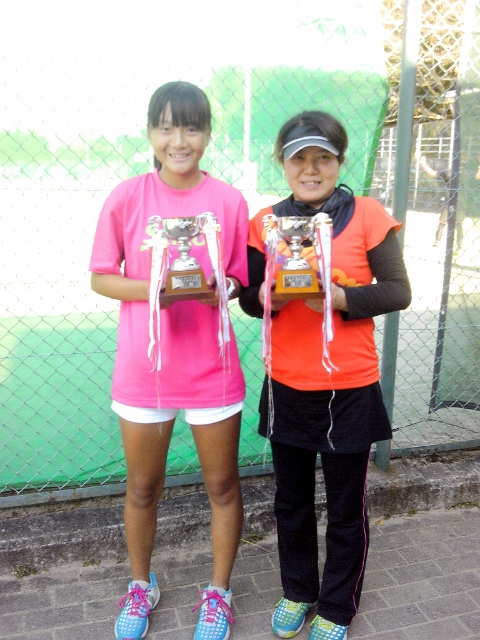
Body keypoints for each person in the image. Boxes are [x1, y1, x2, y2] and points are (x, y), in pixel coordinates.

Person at [239, 111, 411, 640]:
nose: (310, 169)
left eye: (323, 158)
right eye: (299, 158)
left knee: (344, 509)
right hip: (287, 384)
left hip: (350, 388)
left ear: (340, 162)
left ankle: (337, 607)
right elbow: (248, 299)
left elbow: (398, 290)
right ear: (282, 163)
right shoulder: (266, 222)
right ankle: (297, 591)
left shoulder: (367, 214)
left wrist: (340, 298)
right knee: (290, 501)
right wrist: (265, 297)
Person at [89, 81, 249, 640]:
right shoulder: (127, 197)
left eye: (191, 127)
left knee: (223, 487)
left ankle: (219, 593)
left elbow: (237, 278)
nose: (179, 140)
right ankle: (141, 585)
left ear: (208, 134)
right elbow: (101, 277)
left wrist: (220, 288)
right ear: (150, 133)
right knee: (142, 489)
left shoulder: (228, 201)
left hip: (212, 369)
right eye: (166, 127)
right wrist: (154, 290)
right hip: (145, 371)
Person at [418, 155, 464, 250]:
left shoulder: (450, 172)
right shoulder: (460, 173)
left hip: (452, 203)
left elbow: (432, 174)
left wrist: (423, 164)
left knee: (444, 224)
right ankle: (455, 245)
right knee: (456, 225)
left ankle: (438, 243)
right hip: (457, 203)